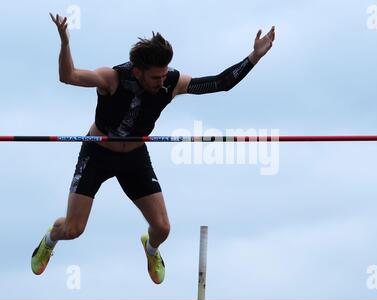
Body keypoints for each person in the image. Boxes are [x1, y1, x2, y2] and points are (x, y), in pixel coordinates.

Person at [31, 13, 275, 284]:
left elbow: (220, 83)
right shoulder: (112, 78)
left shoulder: (171, 82)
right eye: (155, 77)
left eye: (164, 75)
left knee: (162, 228)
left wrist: (255, 57)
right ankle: (50, 239)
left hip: (134, 157)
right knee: (73, 229)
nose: (162, 81)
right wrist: (65, 42)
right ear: (137, 72)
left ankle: (150, 249)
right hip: (98, 154)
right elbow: (68, 76)